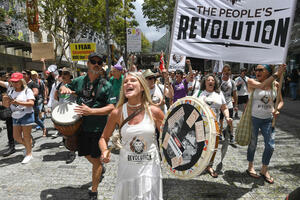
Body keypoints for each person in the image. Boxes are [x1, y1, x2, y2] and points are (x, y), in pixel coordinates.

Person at [99, 72, 164, 200]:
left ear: (142, 87)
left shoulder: (154, 111)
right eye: (125, 82)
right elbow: (103, 138)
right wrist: (104, 150)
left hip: (149, 169)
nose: (128, 83)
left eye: (133, 81)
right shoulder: (117, 113)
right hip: (127, 170)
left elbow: (168, 138)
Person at [60, 52, 115, 200]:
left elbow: (112, 107)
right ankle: (99, 167)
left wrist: (92, 111)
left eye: (99, 62)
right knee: (84, 153)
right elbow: (65, 89)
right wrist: (64, 89)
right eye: (93, 61)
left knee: (96, 159)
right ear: (88, 63)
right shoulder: (78, 81)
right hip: (81, 126)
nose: (96, 64)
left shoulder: (106, 85)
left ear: (102, 65)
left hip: (99, 129)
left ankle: (94, 190)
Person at [246, 64, 286, 184]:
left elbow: (280, 102)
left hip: (268, 120)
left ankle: (264, 169)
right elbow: (262, 85)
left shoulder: (275, 85)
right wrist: (277, 74)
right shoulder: (251, 82)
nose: (257, 71)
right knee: (253, 144)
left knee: (270, 146)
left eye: (260, 70)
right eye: (256, 69)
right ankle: (250, 167)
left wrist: (277, 109)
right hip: (254, 119)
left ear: (267, 72)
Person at [198, 74, 233, 178]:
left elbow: (224, 107)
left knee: (213, 146)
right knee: (200, 145)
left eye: (212, 80)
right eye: (208, 80)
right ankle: (198, 165)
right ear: (205, 83)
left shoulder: (219, 94)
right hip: (200, 125)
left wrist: (227, 117)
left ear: (215, 83)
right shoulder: (199, 93)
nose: (210, 81)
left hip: (215, 125)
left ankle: (209, 166)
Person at [0, 72, 35, 164]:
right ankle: (29, 148)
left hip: (26, 115)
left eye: (17, 82)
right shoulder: (10, 90)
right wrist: (5, 101)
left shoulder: (27, 91)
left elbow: (31, 103)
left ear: (22, 81)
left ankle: (28, 154)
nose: (15, 83)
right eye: (13, 82)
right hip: (15, 116)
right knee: (17, 137)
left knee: (26, 137)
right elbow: (6, 105)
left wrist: (18, 102)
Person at [54, 67, 77, 164]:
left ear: (70, 75)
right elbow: (56, 96)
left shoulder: (74, 84)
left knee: (71, 132)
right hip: (62, 110)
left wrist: (71, 92)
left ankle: (72, 152)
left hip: (72, 110)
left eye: (65, 73)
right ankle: (71, 146)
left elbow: (79, 94)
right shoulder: (59, 84)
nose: (63, 75)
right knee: (64, 132)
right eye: (62, 74)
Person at [219, 64, 238, 143]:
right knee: (220, 120)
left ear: (230, 72)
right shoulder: (218, 81)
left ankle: (231, 135)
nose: (226, 72)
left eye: (228, 70)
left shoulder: (232, 82)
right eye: (225, 70)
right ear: (222, 71)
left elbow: (235, 94)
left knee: (230, 121)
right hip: (220, 104)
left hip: (229, 104)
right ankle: (219, 133)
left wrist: (236, 105)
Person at [0, 72, 15, 157]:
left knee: (11, 129)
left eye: (8, 76)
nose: (7, 78)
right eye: (5, 76)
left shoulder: (8, 85)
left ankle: (11, 146)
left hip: (7, 109)